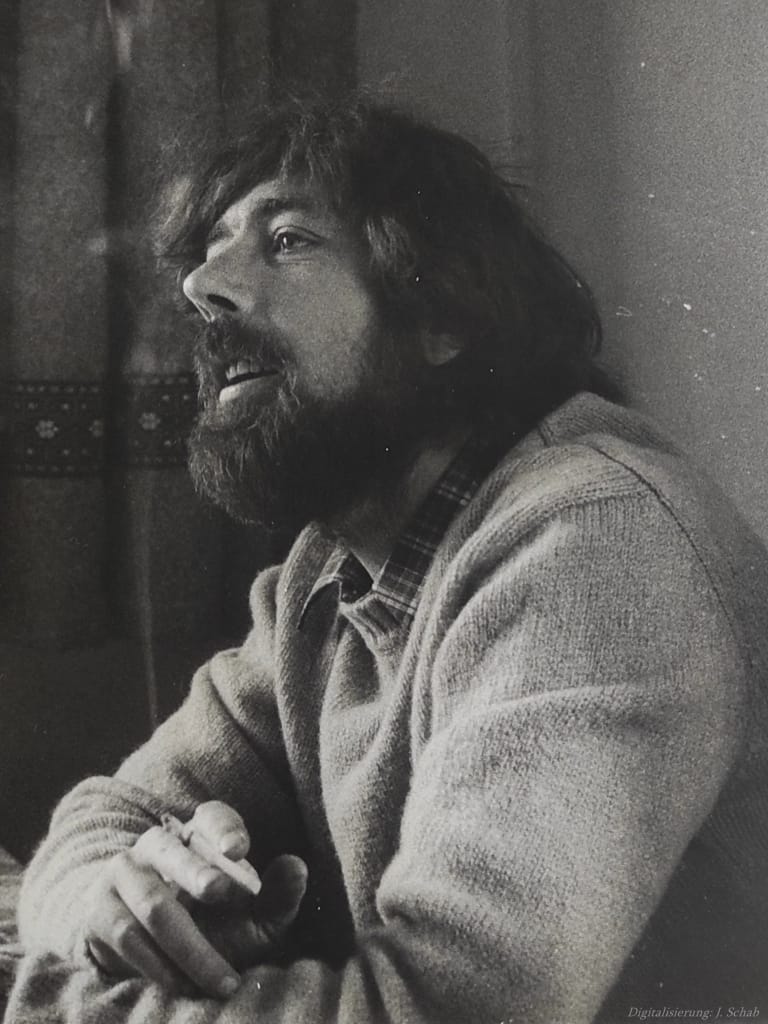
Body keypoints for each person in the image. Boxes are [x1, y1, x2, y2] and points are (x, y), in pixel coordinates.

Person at [5, 96, 768, 1024]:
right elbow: (104, 819)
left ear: (441, 316)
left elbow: (444, 1014)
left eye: (287, 241)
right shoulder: (327, 579)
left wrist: (55, 998)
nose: (202, 285)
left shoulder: (596, 544)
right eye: (211, 249)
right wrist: (109, 905)